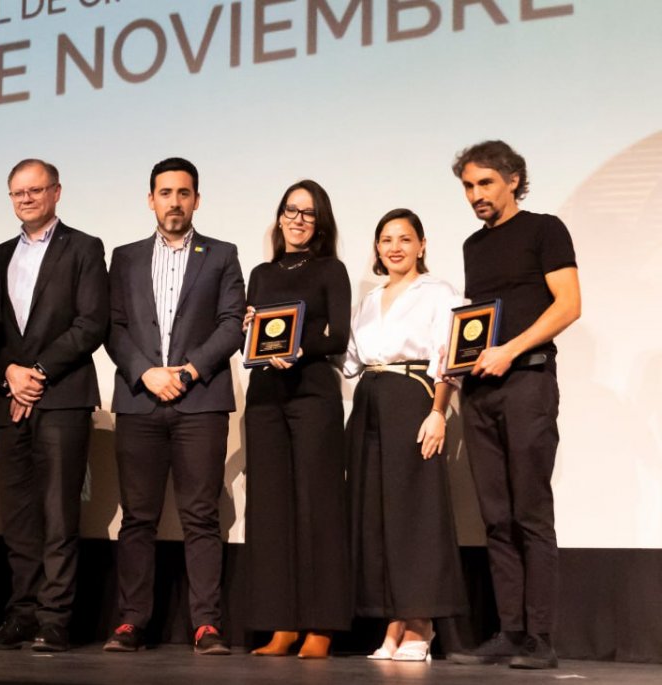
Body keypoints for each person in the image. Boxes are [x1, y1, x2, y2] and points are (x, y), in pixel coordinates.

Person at [446, 141, 581, 670]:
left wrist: (511, 349)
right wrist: (461, 355)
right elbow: (480, 323)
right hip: (480, 390)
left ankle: (540, 639)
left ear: (513, 179)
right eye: (467, 186)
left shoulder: (545, 229)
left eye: (484, 183)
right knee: (495, 518)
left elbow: (568, 305)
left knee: (529, 512)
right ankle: (510, 630)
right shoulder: (472, 246)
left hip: (527, 381)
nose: (475, 194)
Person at [102, 157, 244, 656]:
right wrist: (146, 372)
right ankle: (132, 622)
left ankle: (206, 624)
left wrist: (187, 371)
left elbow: (231, 323)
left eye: (184, 193)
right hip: (140, 401)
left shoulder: (222, 254)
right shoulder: (124, 257)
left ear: (197, 200)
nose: (174, 202)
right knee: (137, 517)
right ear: (151, 200)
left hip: (200, 402)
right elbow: (112, 327)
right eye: (165, 193)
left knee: (201, 517)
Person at [0, 159, 108, 653]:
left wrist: (39, 374)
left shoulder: (85, 248)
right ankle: (21, 615)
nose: (25, 199)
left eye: (35, 190)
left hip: (63, 397)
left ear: (56, 192)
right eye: (17, 193)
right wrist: (9, 372)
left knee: (57, 512)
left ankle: (55, 619)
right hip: (10, 398)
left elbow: (92, 323)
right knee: (19, 516)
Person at [342, 209, 469, 662]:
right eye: (386, 239)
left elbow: (449, 355)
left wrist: (438, 412)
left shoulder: (438, 293)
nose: (395, 247)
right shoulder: (370, 300)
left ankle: (422, 623)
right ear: (377, 248)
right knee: (376, 514)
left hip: (413, 399)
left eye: (405, 238)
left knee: (415, 513)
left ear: (421, 245)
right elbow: (352, 361)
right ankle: (393, 622)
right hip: (370, 402)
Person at [244, 180, 351, 659]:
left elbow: (340, 336)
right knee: (270, 509)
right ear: (280, 216)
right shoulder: (261, 273)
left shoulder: (331, 269)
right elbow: (253, 336)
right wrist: (250, 332)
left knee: (318, 507)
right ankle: (281, 625)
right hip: (266, 395)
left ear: (320, 222)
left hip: (312, 392)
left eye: (308, 213)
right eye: (291, 210)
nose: (298, 219)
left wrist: (299, 350)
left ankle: (321, 626)